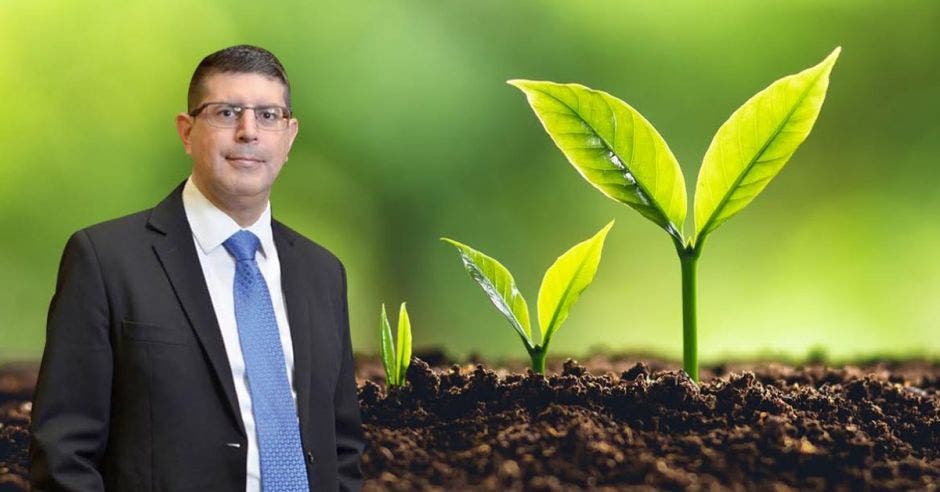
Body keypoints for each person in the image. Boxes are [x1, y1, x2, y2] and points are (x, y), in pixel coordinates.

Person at [29, 45, 365, 491]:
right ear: (187, 132)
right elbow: (63, 455)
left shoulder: (322, 272)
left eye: (268, 115)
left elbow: (341, 446)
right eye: (227, 113)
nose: (249, 132)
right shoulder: (105, 260)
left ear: (289, 136)